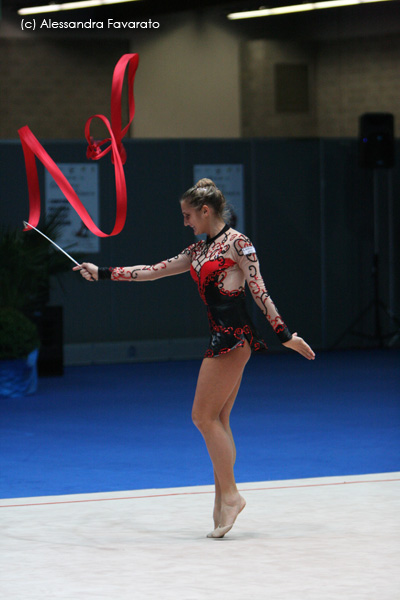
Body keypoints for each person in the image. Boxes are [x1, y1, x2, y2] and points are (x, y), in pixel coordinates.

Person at [74, 178, 315, 539]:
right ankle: (222, 497)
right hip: (224, 338)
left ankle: (231, 494)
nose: (185, 222)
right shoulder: (197, 251)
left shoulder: (239, 244)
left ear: (206, 211)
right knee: (217, 417)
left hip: (234, 339)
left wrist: (285, 336)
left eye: (189, 215)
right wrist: (103, 273)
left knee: (201, 417)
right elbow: (151, 271)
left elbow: (259, 290)